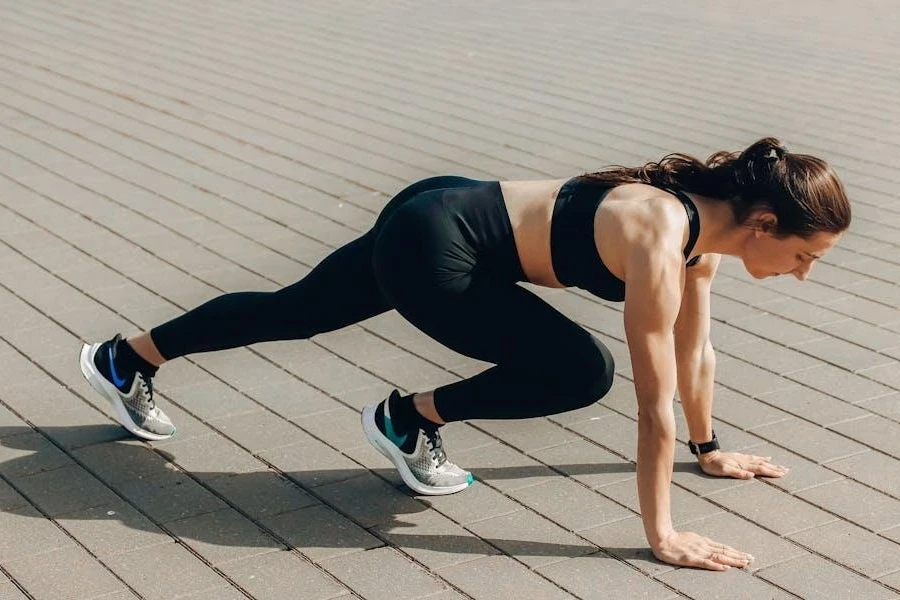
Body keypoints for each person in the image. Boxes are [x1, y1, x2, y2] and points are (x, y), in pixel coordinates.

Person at [79, 137, 850, 571]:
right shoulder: (661, 237)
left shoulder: (703, 236)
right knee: (585, 373)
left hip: (441, 201)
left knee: (298, 311)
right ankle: (408, 419)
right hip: (439, 248)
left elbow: (697, 351)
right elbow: (652, 402)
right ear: (762, 222)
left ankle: (129, 357)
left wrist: (711, 449)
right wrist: (663, 535)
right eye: (806, 255)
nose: (804, 273)